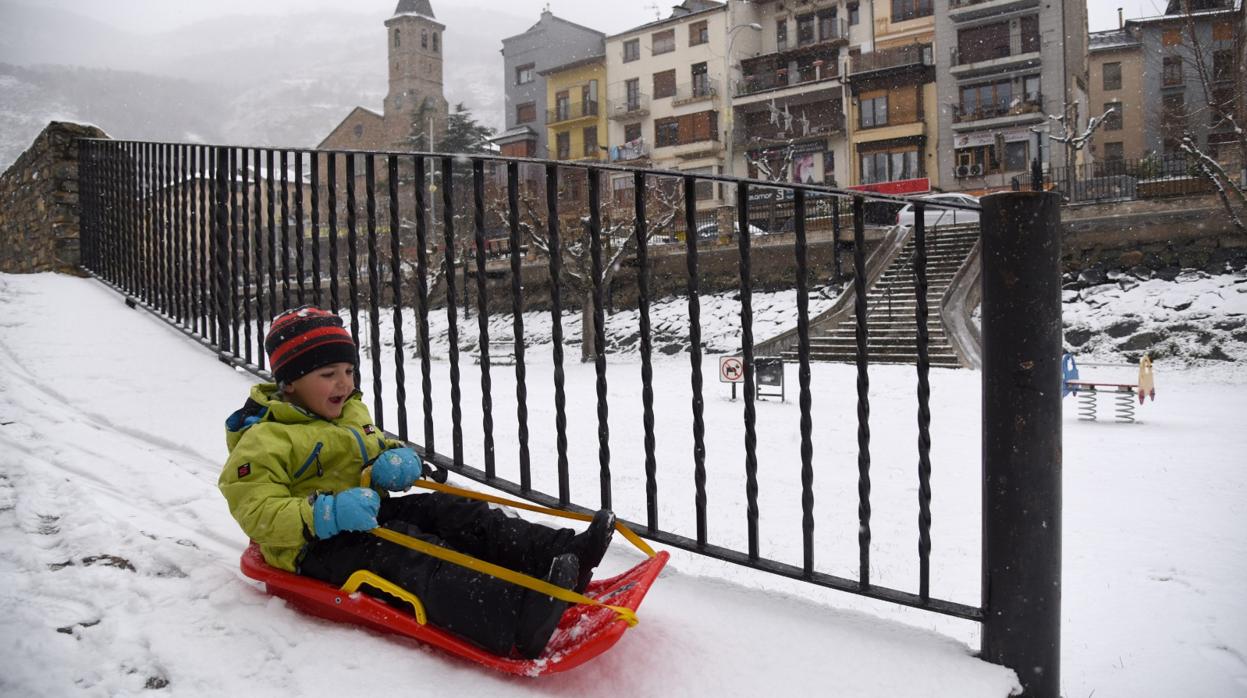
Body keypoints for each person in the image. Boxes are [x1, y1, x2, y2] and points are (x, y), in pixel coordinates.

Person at [218, 306, 615, 659]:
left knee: (453, 513)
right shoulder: (266, 439)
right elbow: (255, 512)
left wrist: (398, 458)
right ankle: (513, 619)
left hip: (369, 512)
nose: (344, 383)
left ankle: (562, 554)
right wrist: (325, 512)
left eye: (349, 371)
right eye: (328, 374)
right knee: (413, 554)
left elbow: (377, 442)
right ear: (290, 383)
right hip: (312, 546)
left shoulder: (350, 412)